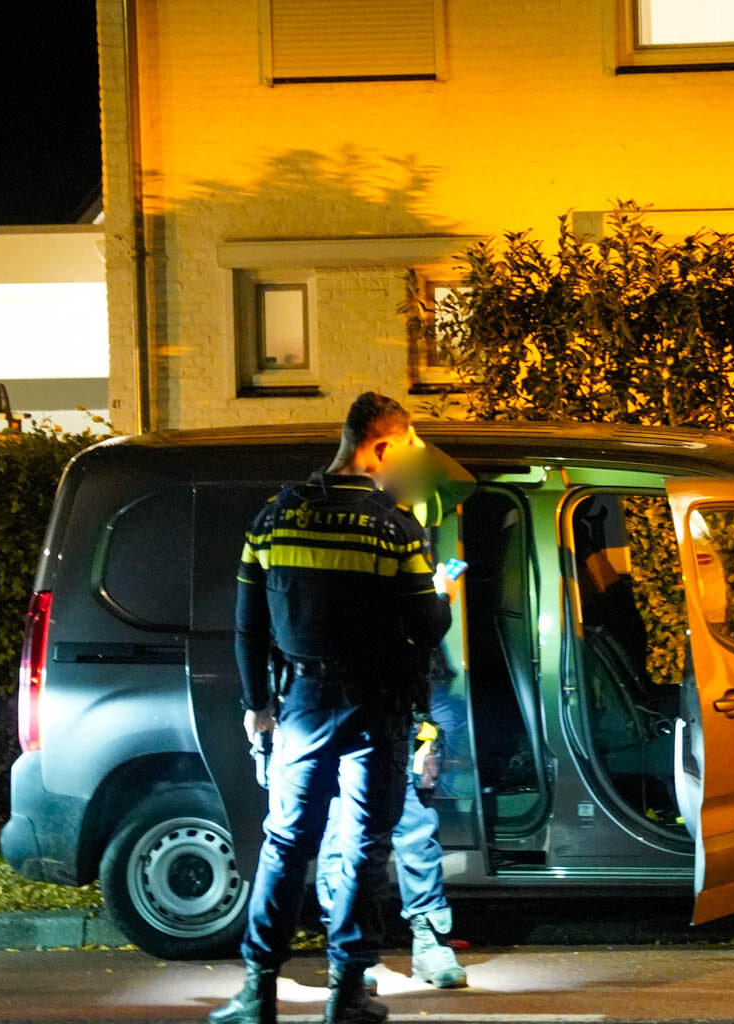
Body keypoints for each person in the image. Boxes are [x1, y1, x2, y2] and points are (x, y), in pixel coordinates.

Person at [210, 393, 456, 1024]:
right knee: (363, 847)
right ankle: (346, 995)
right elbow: (426, 628)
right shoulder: (394, 528)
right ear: (381, 448)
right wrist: (444, 590)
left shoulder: (272, 521)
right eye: (403, 450)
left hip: (302, 703)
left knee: (285, 843)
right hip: (375, 705)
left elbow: (247, 626)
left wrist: (256, 703)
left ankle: (255, 991)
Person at [315, 648, 468, 990]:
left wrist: (429, 732)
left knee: (416, 829)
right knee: (342, 834)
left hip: (399, 714)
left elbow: (427, 641)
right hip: (337, 710)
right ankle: (345, 952)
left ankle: (429, 942)